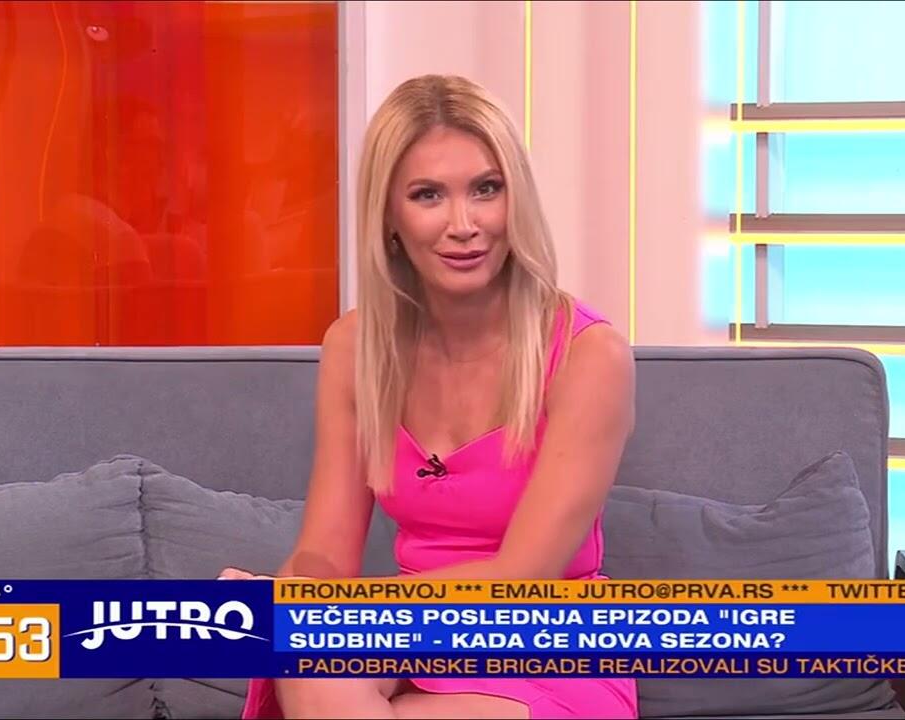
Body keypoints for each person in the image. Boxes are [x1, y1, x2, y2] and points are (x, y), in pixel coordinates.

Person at [219, 74, 638, 720]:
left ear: (516, 199)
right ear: (389, 215)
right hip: (406, 636)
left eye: (486, 189)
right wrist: (287, 598)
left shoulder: (589, 356)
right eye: (428, 195)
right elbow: (327, 552)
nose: (464, 225)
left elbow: (521, 577)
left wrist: (334, 615)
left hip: (547, 644)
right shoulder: (355, 348)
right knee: (306, 666)